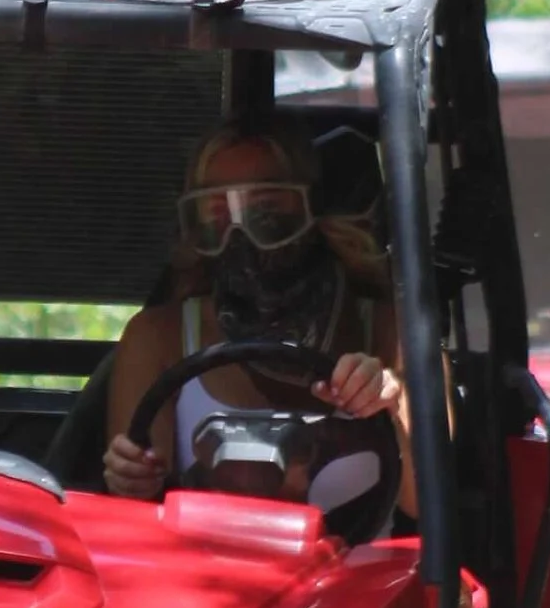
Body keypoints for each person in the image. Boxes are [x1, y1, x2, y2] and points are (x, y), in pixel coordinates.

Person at [102, 120, 408, 521]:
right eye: (216, 215)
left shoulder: (393, 333)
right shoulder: (159, 337)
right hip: (204, 576)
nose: (240, 233)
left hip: (357, 579)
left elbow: (429, 505)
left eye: (266, 210)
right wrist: (130, 477)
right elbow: (133, 513)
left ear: (313, 210)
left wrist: (392, 399)